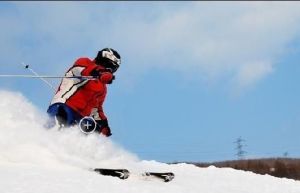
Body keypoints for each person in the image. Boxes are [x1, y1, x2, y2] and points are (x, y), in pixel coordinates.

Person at [46, 48, 121, 137]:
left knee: (78, 136)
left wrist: (103, 125)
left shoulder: (102, 88)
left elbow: (96, 109)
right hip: (65, 105)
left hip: (80, 118)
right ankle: (43, 138)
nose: (110, 70)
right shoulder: (85, 62)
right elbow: (83, 71)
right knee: (58, 126)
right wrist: (100, 73)